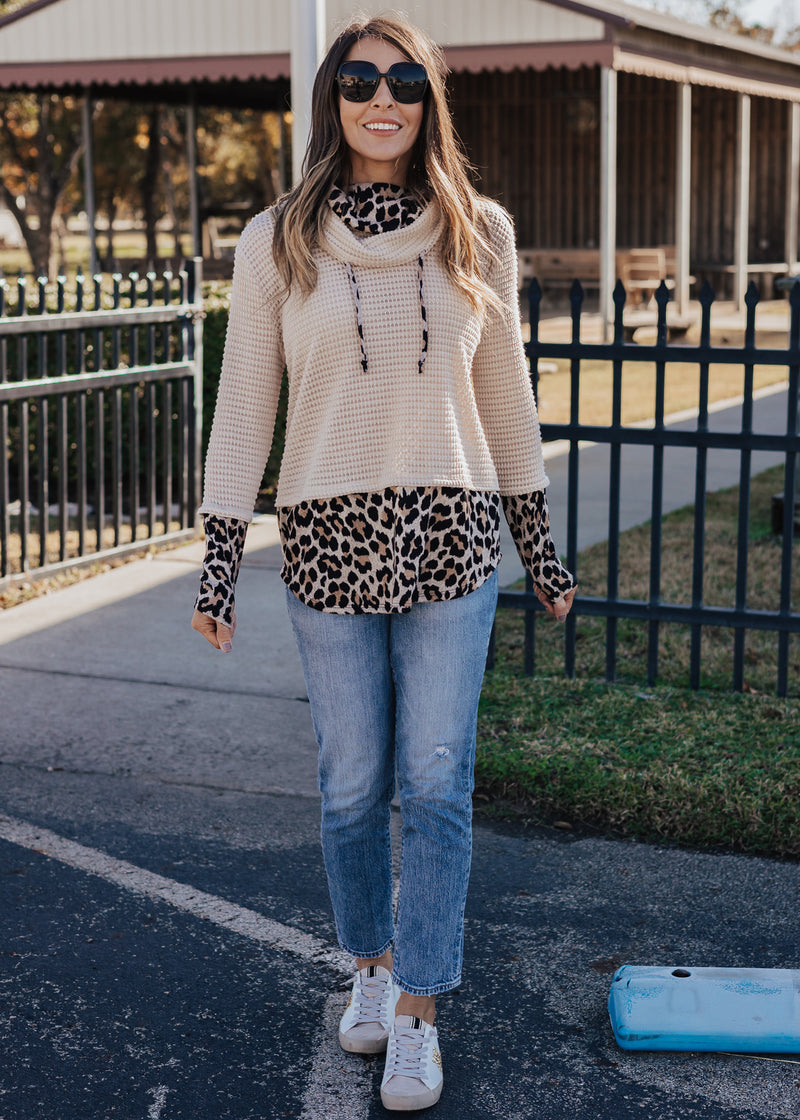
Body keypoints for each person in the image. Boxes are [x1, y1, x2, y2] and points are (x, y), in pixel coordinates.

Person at [191, 14, 576, 1111]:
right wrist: (219, 562)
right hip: (328, 544)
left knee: (437, 781)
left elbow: (506, 401)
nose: (382, 98)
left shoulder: (477, 231)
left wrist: (540, 551)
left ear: (427, 102)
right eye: (360, 80)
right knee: (353, 784)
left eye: (405, 81)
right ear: (334, 99)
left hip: (454, 538)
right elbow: (244, 410)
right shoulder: (275, 240)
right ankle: (368, 965)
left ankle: (417, 1009)